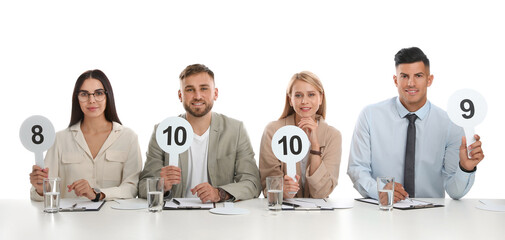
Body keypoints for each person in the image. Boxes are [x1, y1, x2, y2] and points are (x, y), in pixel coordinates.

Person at [347, 47, 484, 202]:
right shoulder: (370, 116)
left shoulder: (450, 124)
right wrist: (378, 190)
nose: (411, 83)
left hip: (431, 216)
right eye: (404, 76)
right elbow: (357, 168)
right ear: (395, 80)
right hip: (382, 212)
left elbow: (455, 191)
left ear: (429, 80)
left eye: (418, 76)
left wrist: (465, 168)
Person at [138, 64, 261, 202]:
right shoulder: (163, 130)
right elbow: (143, 186)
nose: (197, 96)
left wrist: (219, 193)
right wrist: (160, 185)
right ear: (180, 95)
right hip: (173, 217)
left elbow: (253, 183)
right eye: (190, 89)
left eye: (204, 88)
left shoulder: (235, 130)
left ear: (215, 93)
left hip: (219, 216)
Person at [29, 69, 142, 201]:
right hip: (71, 220)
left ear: (108, 96)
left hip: (114, 218)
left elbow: (132, 187)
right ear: (77, 98)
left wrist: (97, 194)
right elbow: (45, 192)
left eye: (98, 93)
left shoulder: (128, 137)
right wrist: (41, 189)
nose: (91, 100)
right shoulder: (59, 139)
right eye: (84, 94)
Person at [259, 71, 342, 199]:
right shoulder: (273, 131)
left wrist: (315, 146)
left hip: (319, 215)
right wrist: (281, 190)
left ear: (320, 98)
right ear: (290, 100)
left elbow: (322, 192)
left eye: (311, 95)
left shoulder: (333, 136)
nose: (304, 101)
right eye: (298, 95)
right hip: (283, 212)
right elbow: (268, 184)